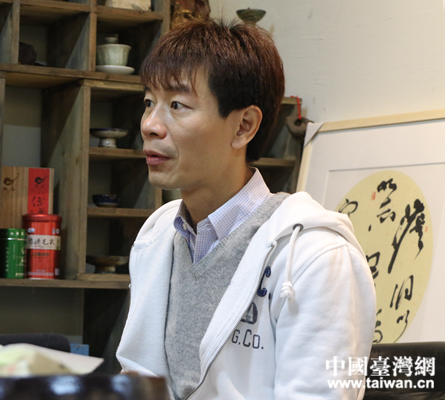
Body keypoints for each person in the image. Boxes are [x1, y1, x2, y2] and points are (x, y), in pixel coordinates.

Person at [116, 19, 376, 400]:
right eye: (149, 103)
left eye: (177, 105)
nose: (150, 125)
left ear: (244, 126)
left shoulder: (314, 257)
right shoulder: (157, 237)